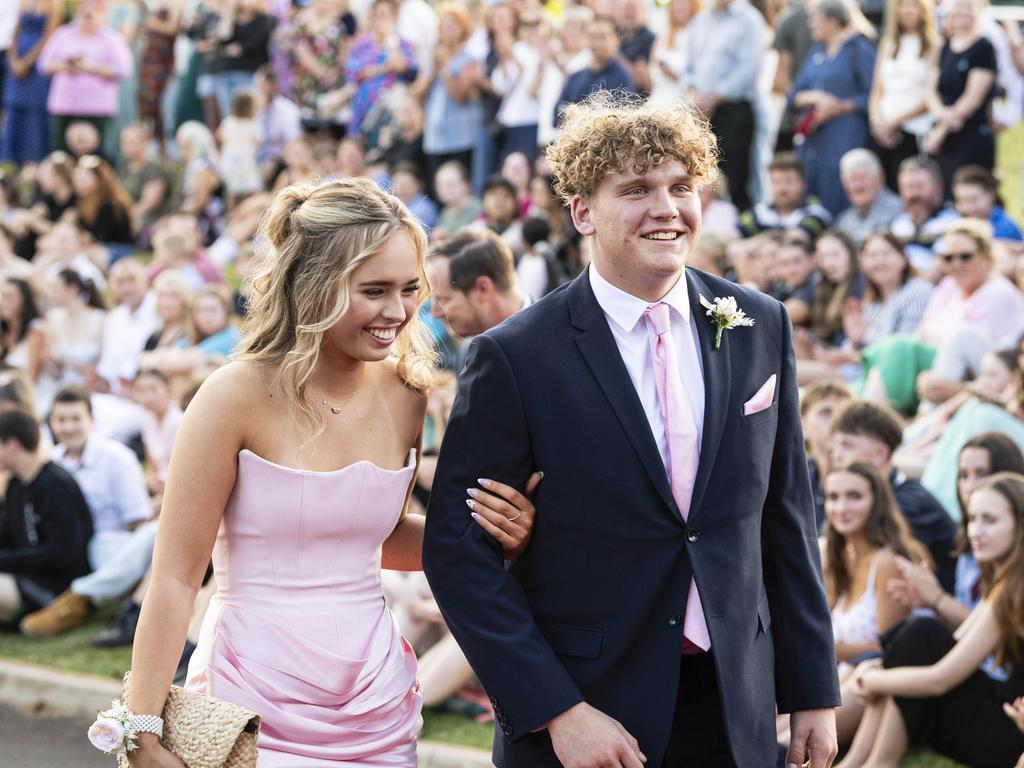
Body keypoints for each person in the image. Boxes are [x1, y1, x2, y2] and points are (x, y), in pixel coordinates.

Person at [423, 94, 840, 768]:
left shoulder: (761, 326)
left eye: (681, 186)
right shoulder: (516, 356)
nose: (667, 207)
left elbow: (786, 520)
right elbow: (458, 555)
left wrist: (814, 689)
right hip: (587, 709)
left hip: (736, 707)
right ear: (583, 210)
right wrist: (557, 710)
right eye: (637, 188)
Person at [125, 178, 538, 768]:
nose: (397, 312)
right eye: (374, 290)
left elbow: (381, 535)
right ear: (312, 285)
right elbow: (174, 577)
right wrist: (141, 731)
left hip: (375, 694)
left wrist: (495, 535)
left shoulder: (407, 394)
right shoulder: (231, 396)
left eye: (408, 290)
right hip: (254, 691)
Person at [841, 472, 1024, 768]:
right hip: (1003, 722)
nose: (976, 530)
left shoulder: (1015, 592)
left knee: (922, 637)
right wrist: (884, 669)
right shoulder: (1005, 583)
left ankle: (873, 763)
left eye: (989, 520)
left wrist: (875, 678)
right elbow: (956, 644)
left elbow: (940, 679)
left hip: (1012, 738)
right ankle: (860, 761)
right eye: (972, 519)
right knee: (919, 635)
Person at [815, 461, 930, 745]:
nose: (841, 507)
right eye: (833, 497)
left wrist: (831, 650)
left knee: (785, 745)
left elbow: (889, 649)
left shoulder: (888, 562)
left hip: (871, 683)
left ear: (877, 501)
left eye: (854, 496)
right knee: (765, 734)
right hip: (838, 677)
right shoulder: (840, 559)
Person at [831, 400, 958, 593]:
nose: (836, 455)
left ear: (880, 454)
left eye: (847, 446)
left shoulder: (909, 504)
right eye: (836, 446)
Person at [0, 408, 93, 625]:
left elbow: (61, 553)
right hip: (24, 577)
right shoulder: (15, 485)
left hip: (55, 588)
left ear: (12, 445)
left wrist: (4, 562)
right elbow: (6, 535)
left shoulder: (55, 484)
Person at [788, 0, 876, 217]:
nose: (810, 25)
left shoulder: (859, 49)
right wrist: (815, 97)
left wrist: (840, 107)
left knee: (840, 185)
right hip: (814, 138)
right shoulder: (816, 52)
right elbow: (793, 96)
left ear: (833, 20)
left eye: (815, 19)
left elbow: (873, 95)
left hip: (846, 133)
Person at [684, 0, 767, 211]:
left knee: (735, 177)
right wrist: (695, 97)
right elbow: (690, 66)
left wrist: (715, 98)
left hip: (734, 110)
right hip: (700, 113)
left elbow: (749, 69)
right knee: (701, 174)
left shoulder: (750, 20)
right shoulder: (701, 20)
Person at [35, 0, 134, 153]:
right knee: (61, 151)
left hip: (97, 108)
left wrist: (91, 67)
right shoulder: (63, 34)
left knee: (95, 153)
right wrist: (66, 66)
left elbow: (124, 69)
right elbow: (44, 64)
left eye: (90, 15)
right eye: (83, 14)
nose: (87, 19)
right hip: (66, 105)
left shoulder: (112, 38)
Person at [922, 0, 998, 193]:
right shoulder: (944, 47)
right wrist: (941, 114)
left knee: (969, 188)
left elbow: (973, 98)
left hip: (970, 134)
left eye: (966, 11)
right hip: (946, 132)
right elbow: (931, 89)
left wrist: (942, 129)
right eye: (957, 12)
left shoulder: (983, 48)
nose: (961, 16)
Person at [868, 0, 937, 191]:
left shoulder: (933, 45)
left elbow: (930, 95)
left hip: (914, 129)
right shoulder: (888, 44)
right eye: (902, 5)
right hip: (882, 128)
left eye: (913, 5)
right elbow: (877, 89)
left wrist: (896, 122)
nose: (907, 11)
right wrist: (877, 120)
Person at [426, 228, 531, 340]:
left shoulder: (547, 337)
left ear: (483, 289)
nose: (434, 313)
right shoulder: (471, 344)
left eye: (443, 299)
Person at [0, 0, 60, 164]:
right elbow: (15, 31)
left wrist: (27, 62)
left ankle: (34, 160)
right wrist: (13, 59)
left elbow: (49, 36)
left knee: (34, 110)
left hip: (38, 64)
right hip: (17, 59)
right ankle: (10, 160)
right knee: (13, 107)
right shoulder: (24, 2)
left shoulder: (54, 4)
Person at [554, 15, 636, 124]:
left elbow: (618, 119)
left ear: (616, 40)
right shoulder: (575, 77)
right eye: (592, 37)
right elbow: (556, 116)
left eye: (602, 37)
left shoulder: (623, 76)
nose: (596, 43)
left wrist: (576, 112)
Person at [737, 151, 832, 240]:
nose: (782, 189)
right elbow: (733, 234)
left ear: (803, 183)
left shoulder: (817, 212)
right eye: (776, 182)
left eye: (789, 181)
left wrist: (754, 242)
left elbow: (795, 239)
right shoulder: (761, 212)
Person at [833, 148, 905, 249]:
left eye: (862, 178)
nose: (857, 186)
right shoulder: (843, 221)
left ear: (880, 177)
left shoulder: (900, 210)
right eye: (852, 180)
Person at [951, 164, 1023, 243]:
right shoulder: (955, 223)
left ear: (991, 194)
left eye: (974, 199)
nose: (971, 207)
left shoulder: (1004, 229)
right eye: (963, 201)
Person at [216, 88, 263, 205]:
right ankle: (245, 210)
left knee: (232, 189)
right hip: (246, 160)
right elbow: (258, 141)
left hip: (230, 159)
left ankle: (231, 212)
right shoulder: (253, 124)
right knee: (248, 189)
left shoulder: (228, 121)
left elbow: (219, 135)